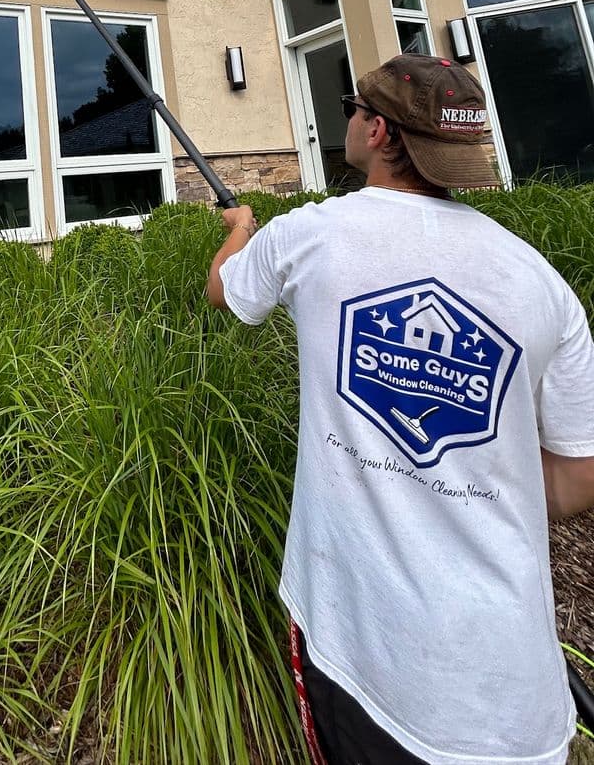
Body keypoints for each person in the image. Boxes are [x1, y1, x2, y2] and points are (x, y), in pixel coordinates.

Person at [207, 54, 594, 765]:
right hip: (516, 699)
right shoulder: (542, 286)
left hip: (361, 657)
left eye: (355, 108)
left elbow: (227, 290)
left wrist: (241, 224)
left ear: (378, 132)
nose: (349, 119)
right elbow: (575, 481)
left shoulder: (312, 233)